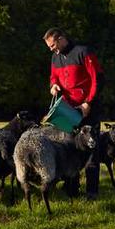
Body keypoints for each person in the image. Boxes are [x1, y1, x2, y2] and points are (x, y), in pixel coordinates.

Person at [45, 27, 105, 199]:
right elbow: (53, 78)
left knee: (91, 150)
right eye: (49, 47)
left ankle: (92, 193)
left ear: (62, 38)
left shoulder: (83, 52)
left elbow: (98, 79)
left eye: (53, 45)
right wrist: (53, 86)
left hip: (88, 109)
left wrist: (88, 103)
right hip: (67, 110)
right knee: (70, 148)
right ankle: (72, 189)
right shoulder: (55, 57)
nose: (52, 49)